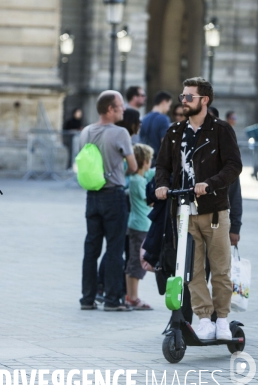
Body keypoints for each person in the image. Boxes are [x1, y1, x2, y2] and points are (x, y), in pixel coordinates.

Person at [155, 77, 242, 340]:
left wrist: (211, 184)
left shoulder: (221, 130)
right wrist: (161, 185)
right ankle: (204, 318)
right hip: (183, 212)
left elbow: (233, 166)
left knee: (220, 269)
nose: (184, 101)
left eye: (189, 97)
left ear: (204, 100)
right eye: (182, 96)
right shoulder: (174, 133)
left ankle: (223, 320)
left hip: (214, 211)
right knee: (191, 271)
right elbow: (163, 166)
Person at [79, 90, 137, 312]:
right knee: (114, 248)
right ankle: (113, 299)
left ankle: (87, 298)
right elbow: (132, 166)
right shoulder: (121, 133)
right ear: (110, 109)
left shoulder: (85, 131)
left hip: (91, 196)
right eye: (120, 106)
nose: (123, 110)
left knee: (91, 248)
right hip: (113, 195)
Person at [125, 144, 155, 310]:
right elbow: (148, 200)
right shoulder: (138, 181)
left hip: (136, 225)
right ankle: (134, 297)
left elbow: (152, 172)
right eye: (150, 160)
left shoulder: (137, 178)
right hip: (141, 226)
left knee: (132, 260)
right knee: (138, 262)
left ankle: (130, 296)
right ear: (144, 162)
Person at [139, 91, 172, 165]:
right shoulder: (164, 119)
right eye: (169, 105)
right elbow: (165, 144)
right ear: (164, 102)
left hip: (144, 162)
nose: (168, 109)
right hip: (157, 162)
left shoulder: (144, 118)